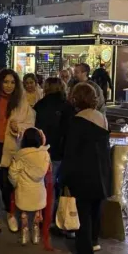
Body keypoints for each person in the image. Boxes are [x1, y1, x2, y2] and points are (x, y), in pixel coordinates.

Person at [60, 83, 112, 254]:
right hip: (102, 174)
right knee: (95, 210)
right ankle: (94, 242)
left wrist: (64, 176)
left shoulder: (77, 121)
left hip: (83, 175)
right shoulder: (102, 119)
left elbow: (72, 152)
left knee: (83, 214)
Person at [0, 69, 35, 237]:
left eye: (12, 82)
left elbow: (30, 123)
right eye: (5, 82)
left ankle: (10, 213)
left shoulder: (21, 102)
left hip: (12, 148)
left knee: (8, 184)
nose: (9, 86)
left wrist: (18, 128)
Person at [34, 77, 74, 233]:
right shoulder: (67, 107)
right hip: (59, 152)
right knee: (56, 186)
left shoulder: (40, 106)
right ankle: (55, 219)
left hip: (43, 151)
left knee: (44, 185)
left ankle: (43, 217)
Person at [8, 128, 50, 245]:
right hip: (39, 191)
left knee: (24, 213)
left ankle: (24, 235)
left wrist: (16, 184)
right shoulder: (45, 154)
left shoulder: (21, 156)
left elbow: (12, 173)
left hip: (23, 190)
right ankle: (36, 235)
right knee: (37, 213)